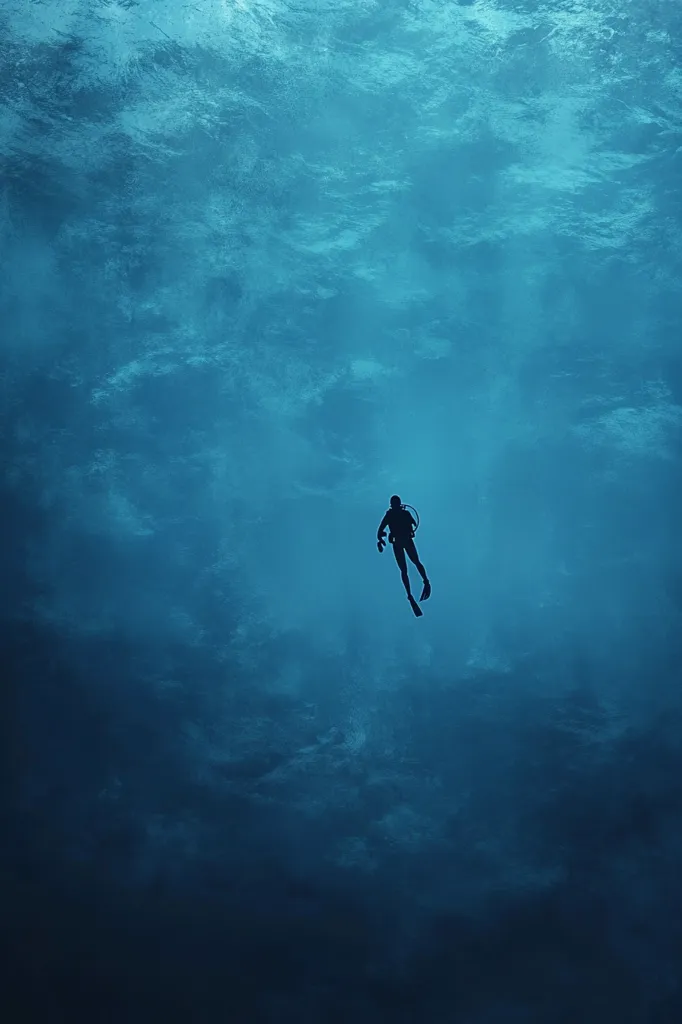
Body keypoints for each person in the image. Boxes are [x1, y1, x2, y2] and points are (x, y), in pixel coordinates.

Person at [377, 495, 431, 614]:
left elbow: (412, 524)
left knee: (414, 564)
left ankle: (425, 582)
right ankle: (411, 594)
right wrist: (381, 539)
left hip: (404, 541)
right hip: (400, 542)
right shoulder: (391, 515)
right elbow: (380, 530)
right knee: (405, 569)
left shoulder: (399, 514)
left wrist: (381, 538)